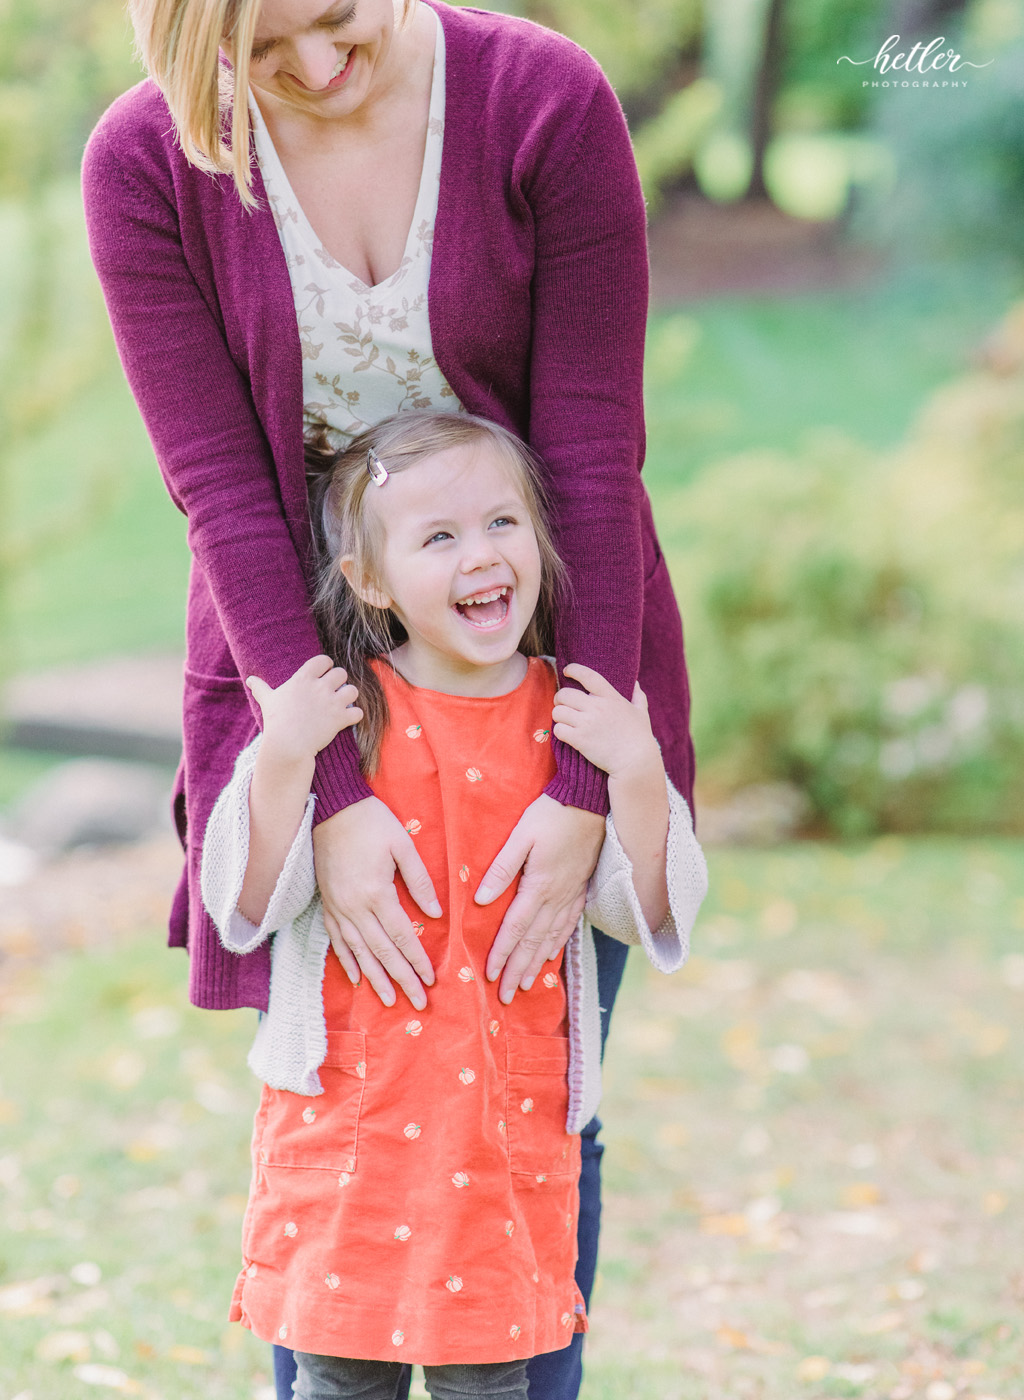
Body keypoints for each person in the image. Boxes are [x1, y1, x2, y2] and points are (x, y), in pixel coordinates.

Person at [83, 0, 695, 1393]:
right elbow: (222, 491)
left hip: (555, 672)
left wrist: (587, 784)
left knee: (544, 1098)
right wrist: (335, 794)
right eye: (257, 47)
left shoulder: (542, 101)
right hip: (293, 686)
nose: (308, 69)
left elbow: (593, 455)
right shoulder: (146, 159)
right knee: (346, 1092)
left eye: (336, 22)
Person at [200, 411, 707, 1400]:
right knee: (341, 1377)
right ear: (370, 582)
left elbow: (644, 909)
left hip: (499, 1139)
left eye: (502, 522)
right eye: (438, 537)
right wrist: (283, 759)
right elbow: (251, 901)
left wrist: (636, 772)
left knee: (492, 1379)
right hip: (352, 1137)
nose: (481, 554)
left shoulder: (571, 722)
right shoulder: (344, 723)